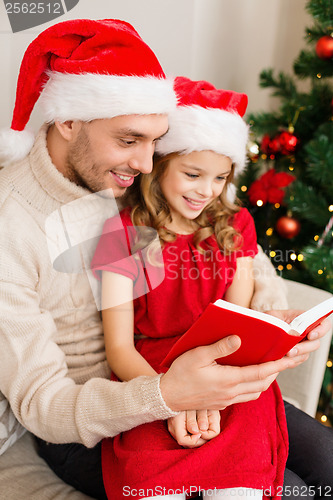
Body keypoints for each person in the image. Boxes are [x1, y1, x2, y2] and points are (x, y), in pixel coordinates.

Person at [0, 17, 331, 500]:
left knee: (324, 461)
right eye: (130, 141)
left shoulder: (122, 176)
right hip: (94, 415)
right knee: (286, 488)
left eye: (156, 143)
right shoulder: (12, 227)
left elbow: (233, 244)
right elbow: (44, 404)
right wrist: (170, 398)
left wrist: (266, 317)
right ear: (68, 121)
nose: (147, 164)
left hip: (186, 369)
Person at [91, 76, 288, 500]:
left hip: (227, 371)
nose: (207, 190)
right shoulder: (121, 233)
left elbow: (241, 329)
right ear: (159, 164)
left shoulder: (236, 226)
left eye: (220, 178)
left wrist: (210, 396)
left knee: (240, 482)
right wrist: (172, 400)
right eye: (193, 173)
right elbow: (120, 350)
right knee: (150, 479)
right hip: (151, 374)